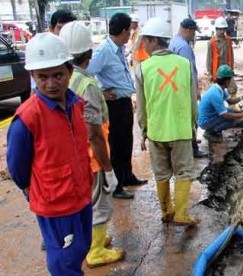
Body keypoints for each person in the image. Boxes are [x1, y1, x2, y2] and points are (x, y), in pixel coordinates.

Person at [7, 33, 92, 275]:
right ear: (32, 76)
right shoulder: (28, 117)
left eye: (58, 75)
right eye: (42, 77)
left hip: (80, 195)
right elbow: (17, 167)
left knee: (80, 248)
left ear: (70, 72)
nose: (51, 83)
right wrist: (34, 191)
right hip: (55, 203)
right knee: (64, 261)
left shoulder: (76, 104)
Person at [59, 21, 125, 268]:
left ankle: (92, 238)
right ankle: (96, 250)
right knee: (99, 203)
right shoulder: (87, 85)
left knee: (83, 201)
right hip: (91, 158)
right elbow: (95, 135)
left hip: (70, 157)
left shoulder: (62, 80)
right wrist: (108, 168)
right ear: (88, 55)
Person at [136, 17, 200, 226]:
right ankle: (181, 213)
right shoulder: (184, 64)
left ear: (154, 41)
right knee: (183, 172)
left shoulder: (143, 68)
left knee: (161, 174)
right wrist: (192, 124)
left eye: (145, 40)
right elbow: (192, 99)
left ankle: (166, 211)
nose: (143, 44)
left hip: (156, 131)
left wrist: (144, 131)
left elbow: (142, 106)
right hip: (181, 130)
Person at [88, 13, 147, 200]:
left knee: (126, 141)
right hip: (113, 105)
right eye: (129, 30)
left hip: (124, 103)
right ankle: (116, 185)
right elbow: (85, 72)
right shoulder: (104, 51)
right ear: (123, 31)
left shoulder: (119, 49)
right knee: (116, 144)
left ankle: (127, 175)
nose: (130, 34)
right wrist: (101, 92)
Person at [169, 18, 208, 158]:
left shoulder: (174, 42)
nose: (194, 36)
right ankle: (192, 148)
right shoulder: (184, 47)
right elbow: (189, 71)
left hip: (176, 87)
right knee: (191, 118)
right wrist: (196, 90)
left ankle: (187, 143)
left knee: (182, 118)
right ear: (188, 30)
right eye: (193, 33)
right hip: (185, 88)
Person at [199, 65, 243, 142]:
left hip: (211, 115)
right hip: (205, 121)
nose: (231, 82)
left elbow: (230, 101)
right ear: (226, 81)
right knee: (232, 121)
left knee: (232, 111)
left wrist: (241, 98)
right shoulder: (215, 94)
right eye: (231, 79)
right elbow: (225, 115)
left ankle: (214, 128)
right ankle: (211, 132)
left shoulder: (220, 88)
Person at [31, 10, 76, 92]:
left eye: (69, 29)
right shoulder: (42, 54)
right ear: (51, 29)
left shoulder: (82, 53)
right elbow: (34, 90)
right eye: (60, 28)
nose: (65, 32)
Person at [206, 17, 238, 110]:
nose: (222, 31)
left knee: (233, 88)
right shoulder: (211, 42)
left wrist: (231, 68)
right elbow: (209, 59)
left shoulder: (228, 39)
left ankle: (232, 109)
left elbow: (231, 54)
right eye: (220, 29)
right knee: (218, 92)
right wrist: (210, 73)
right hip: (217, 72)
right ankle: (219, 110)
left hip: (227, 70)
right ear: (216, 29)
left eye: (223, 29)